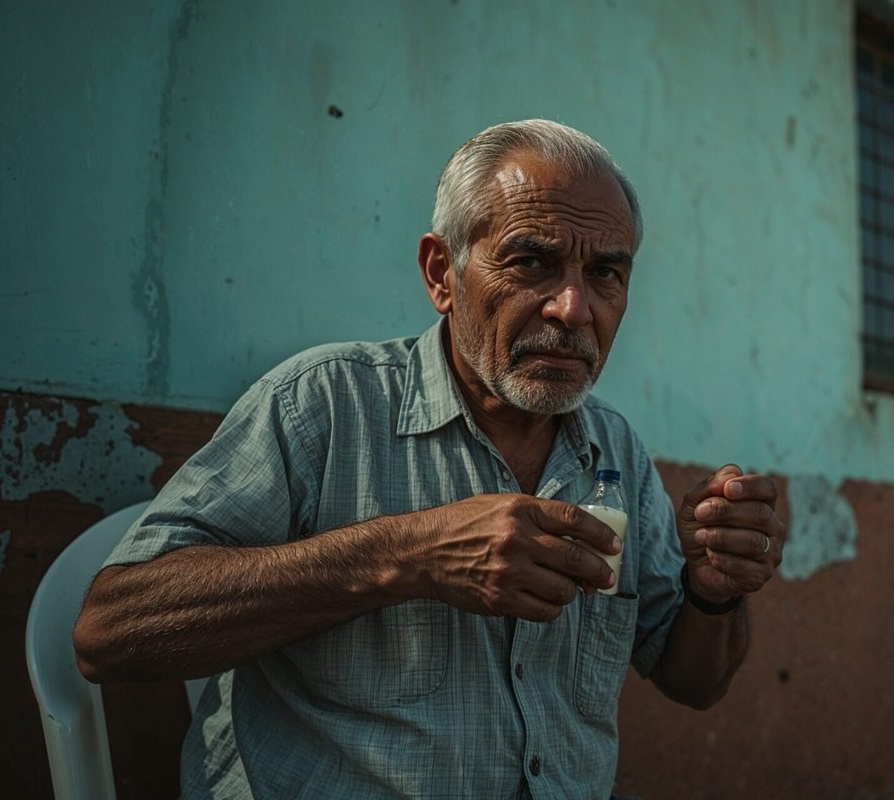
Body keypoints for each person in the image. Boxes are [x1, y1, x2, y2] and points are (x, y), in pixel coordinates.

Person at [72, 119, 785, 799]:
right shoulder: (323, 404)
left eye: (605, 274)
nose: (573, 308)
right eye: (532, 261)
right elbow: (110, 633)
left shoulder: (615, 449)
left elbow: (695, 681)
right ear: (442, 272)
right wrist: (411, 555)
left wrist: (715, 589)